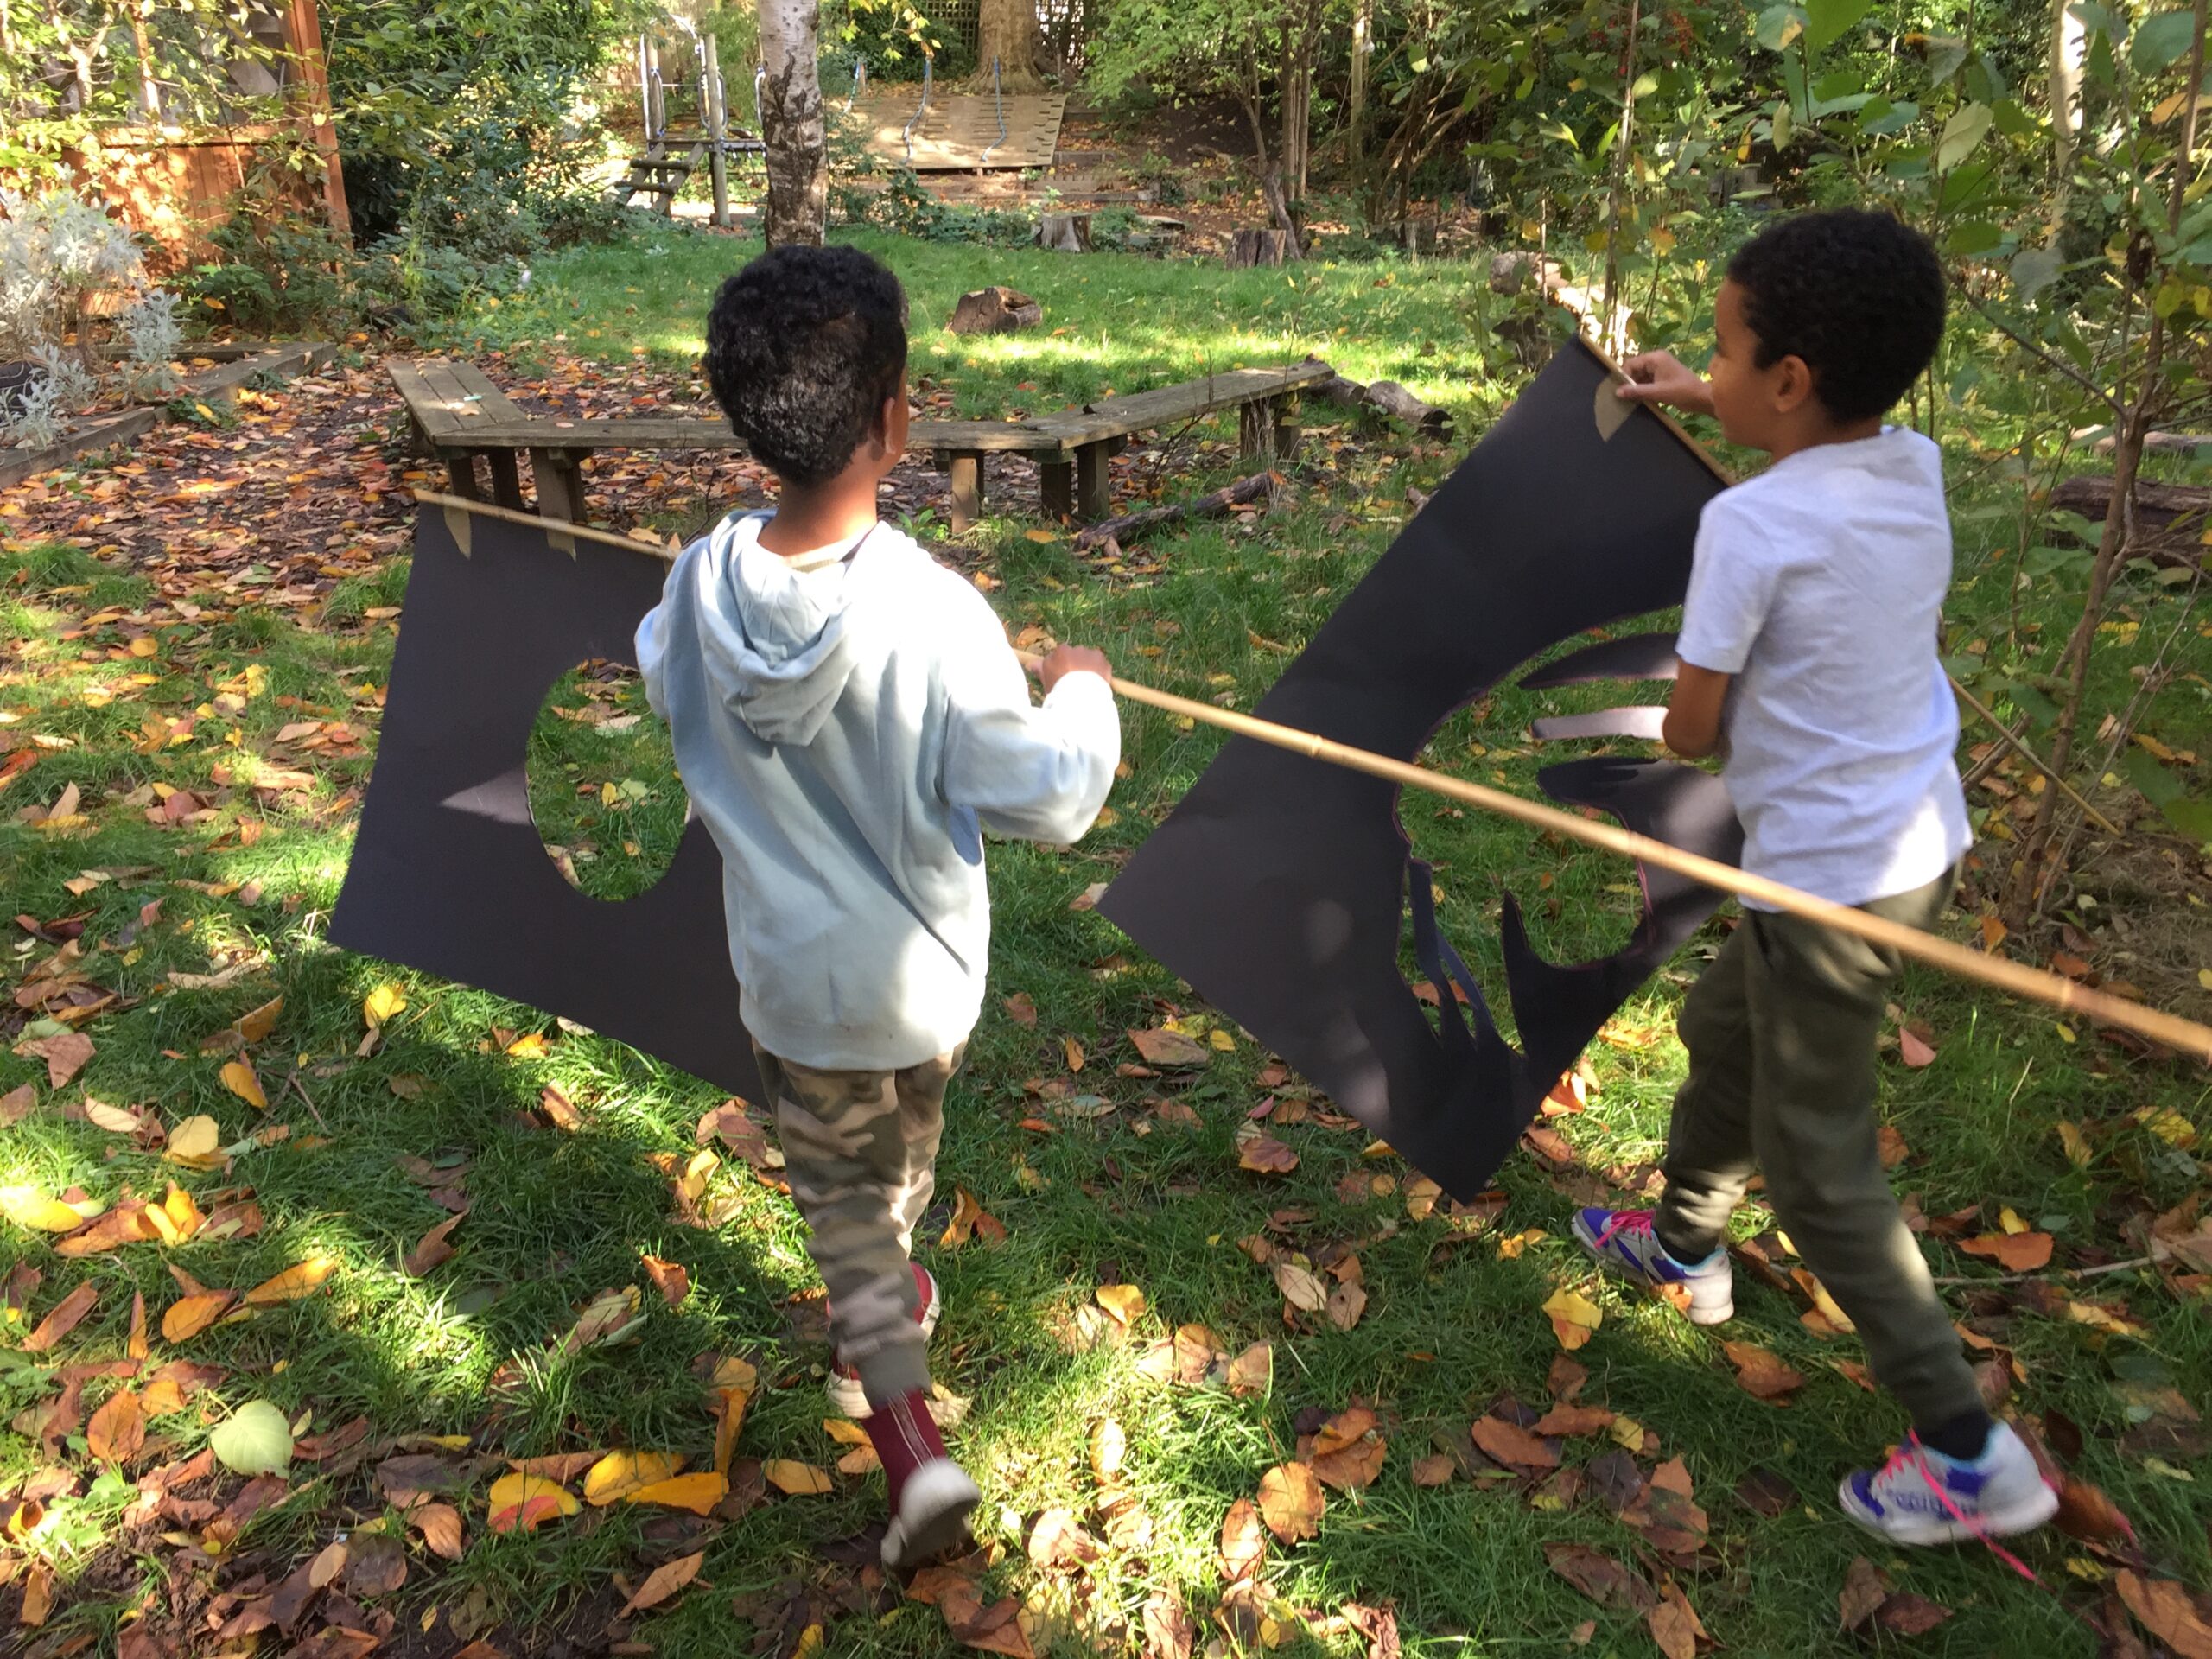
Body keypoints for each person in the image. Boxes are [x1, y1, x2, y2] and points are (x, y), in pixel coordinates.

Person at [1571, 209, 2057, 1547]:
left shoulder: (1748, 526)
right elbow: (1809, 501)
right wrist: (1701, 400)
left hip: (1830, 883)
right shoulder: (1910, 464)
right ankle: (1683, 1245)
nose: (1706, 369)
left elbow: (1692, 732)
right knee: (1723, 1027)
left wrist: (1680, 679)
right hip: (1910, 842)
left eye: (1722, 353)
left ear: (1789, 380)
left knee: (1822, 1162)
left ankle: (1973, 1456)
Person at [636, 245, 1121, 1568]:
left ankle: (878, 1297)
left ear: (745, 419)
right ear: (897, 418)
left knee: (861, 1188)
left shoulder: (694, 586)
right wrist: (1082, 687)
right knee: (875, 1188)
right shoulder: (937, 612)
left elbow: (659, 682)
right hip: (923, 986)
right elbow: (1052, 797)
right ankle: (910, 1447)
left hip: (799, 987)